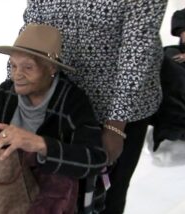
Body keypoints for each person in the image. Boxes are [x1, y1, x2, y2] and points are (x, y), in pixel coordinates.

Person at [18, 1, 167, 213]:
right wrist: (16, 94)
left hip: (119, 108)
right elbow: (30, 33)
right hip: (61, 102)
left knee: (107, 197)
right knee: (56, 192)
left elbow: (137, 51)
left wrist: (116, 127)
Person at [0, 24, 108, 213]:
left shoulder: (73, 102)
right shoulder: (4, 93)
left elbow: (96, 160)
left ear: (51, 68)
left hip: (52, 201)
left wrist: (39, 144)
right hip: (6, 192)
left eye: (28, 67)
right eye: (13, 66)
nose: (17, 75)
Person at [151, 1, 185, 149]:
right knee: (164, 57)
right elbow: (179, 15)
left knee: (178, 71)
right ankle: (167, 121)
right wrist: (183, 31)